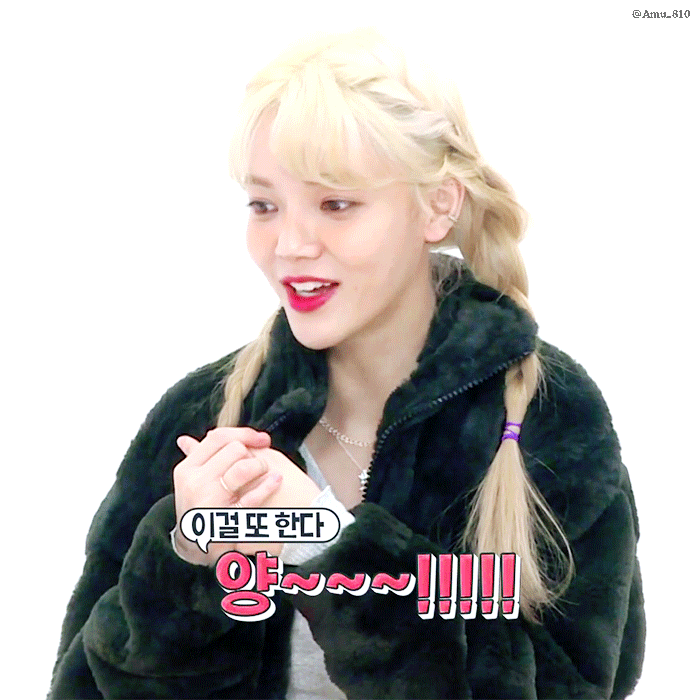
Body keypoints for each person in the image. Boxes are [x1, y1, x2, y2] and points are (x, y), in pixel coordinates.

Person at [48, 26, 645, 700]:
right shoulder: (204, 413)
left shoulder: (545, 415)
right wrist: (189, 560)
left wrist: (325, 541)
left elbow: (569, 686)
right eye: (264, 205)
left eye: (336, 204)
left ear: (437, 206)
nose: (290, 244)